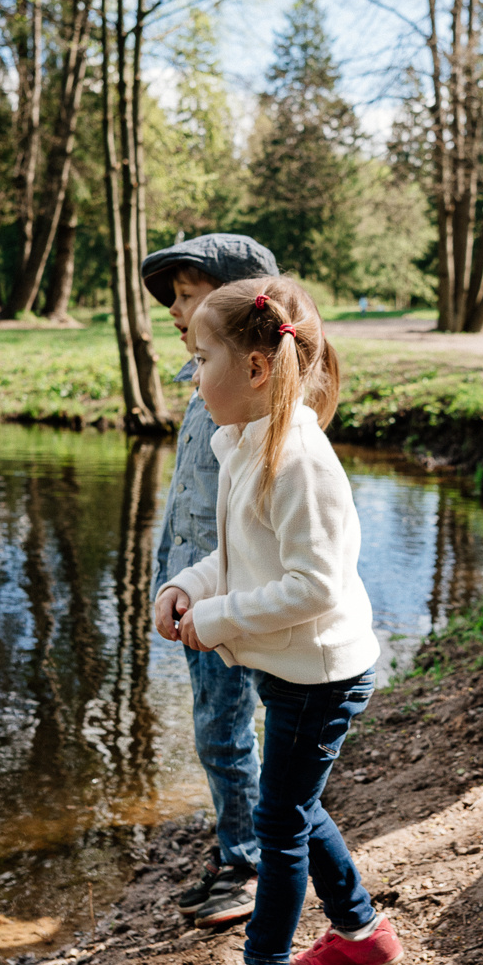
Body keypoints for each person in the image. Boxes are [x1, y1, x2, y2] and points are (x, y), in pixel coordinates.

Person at [155, 278, 403, 965]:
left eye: (201, 359)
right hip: (294, 666)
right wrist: (188, 586)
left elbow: (315, 585)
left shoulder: (297, 460)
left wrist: (218, 621)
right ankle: (360, 932)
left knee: (279, 823)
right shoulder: (247, 442)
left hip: (322, 672)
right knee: (293, 803)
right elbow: (240, 557)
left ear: (259, 368)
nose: (193, 377)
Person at [140, 234, 280, 929]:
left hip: (232, 595)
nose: (173, 310)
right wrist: (171, 576)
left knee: (226, 731)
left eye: (187, 296)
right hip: (197, 586)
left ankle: (251, 862)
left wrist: (212, 590)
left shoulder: (258, 398)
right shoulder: (205, 385)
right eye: (173, 299)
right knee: (213, 727)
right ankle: (236, 849)